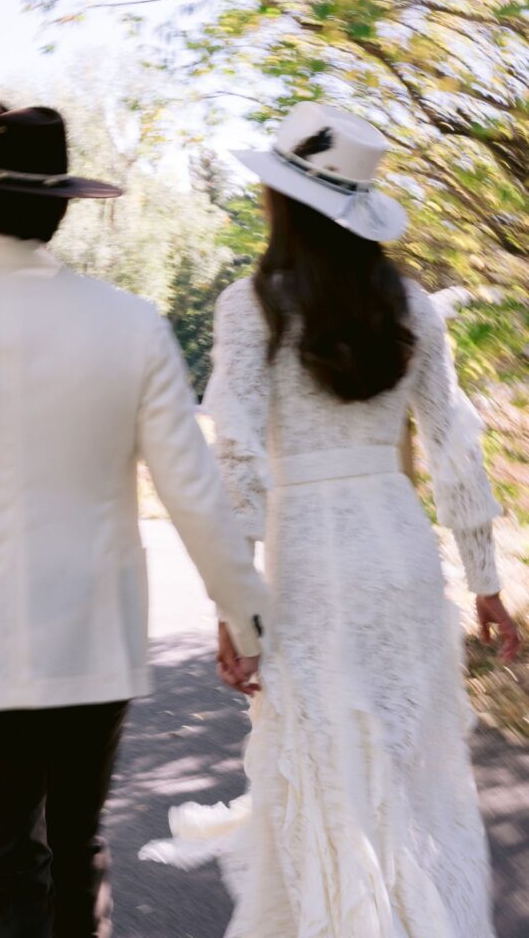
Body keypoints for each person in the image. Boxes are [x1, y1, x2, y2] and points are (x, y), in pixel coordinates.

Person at [0, 101, 266, 938]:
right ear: (64, 208)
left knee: (1, 878)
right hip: (89, 641)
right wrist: (243, 617)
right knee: (78, 853)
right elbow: (193, 489)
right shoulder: (132, 325)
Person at [141, 102, 521, 938]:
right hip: (400, 552)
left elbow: (236, 462)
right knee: (412, 776)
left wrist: (236, 614)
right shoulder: (414, 308)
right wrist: (486, 586)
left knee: (328, 777)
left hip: (310, 554)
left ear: (281, 202)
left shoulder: (253, 306)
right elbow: (455, 448)